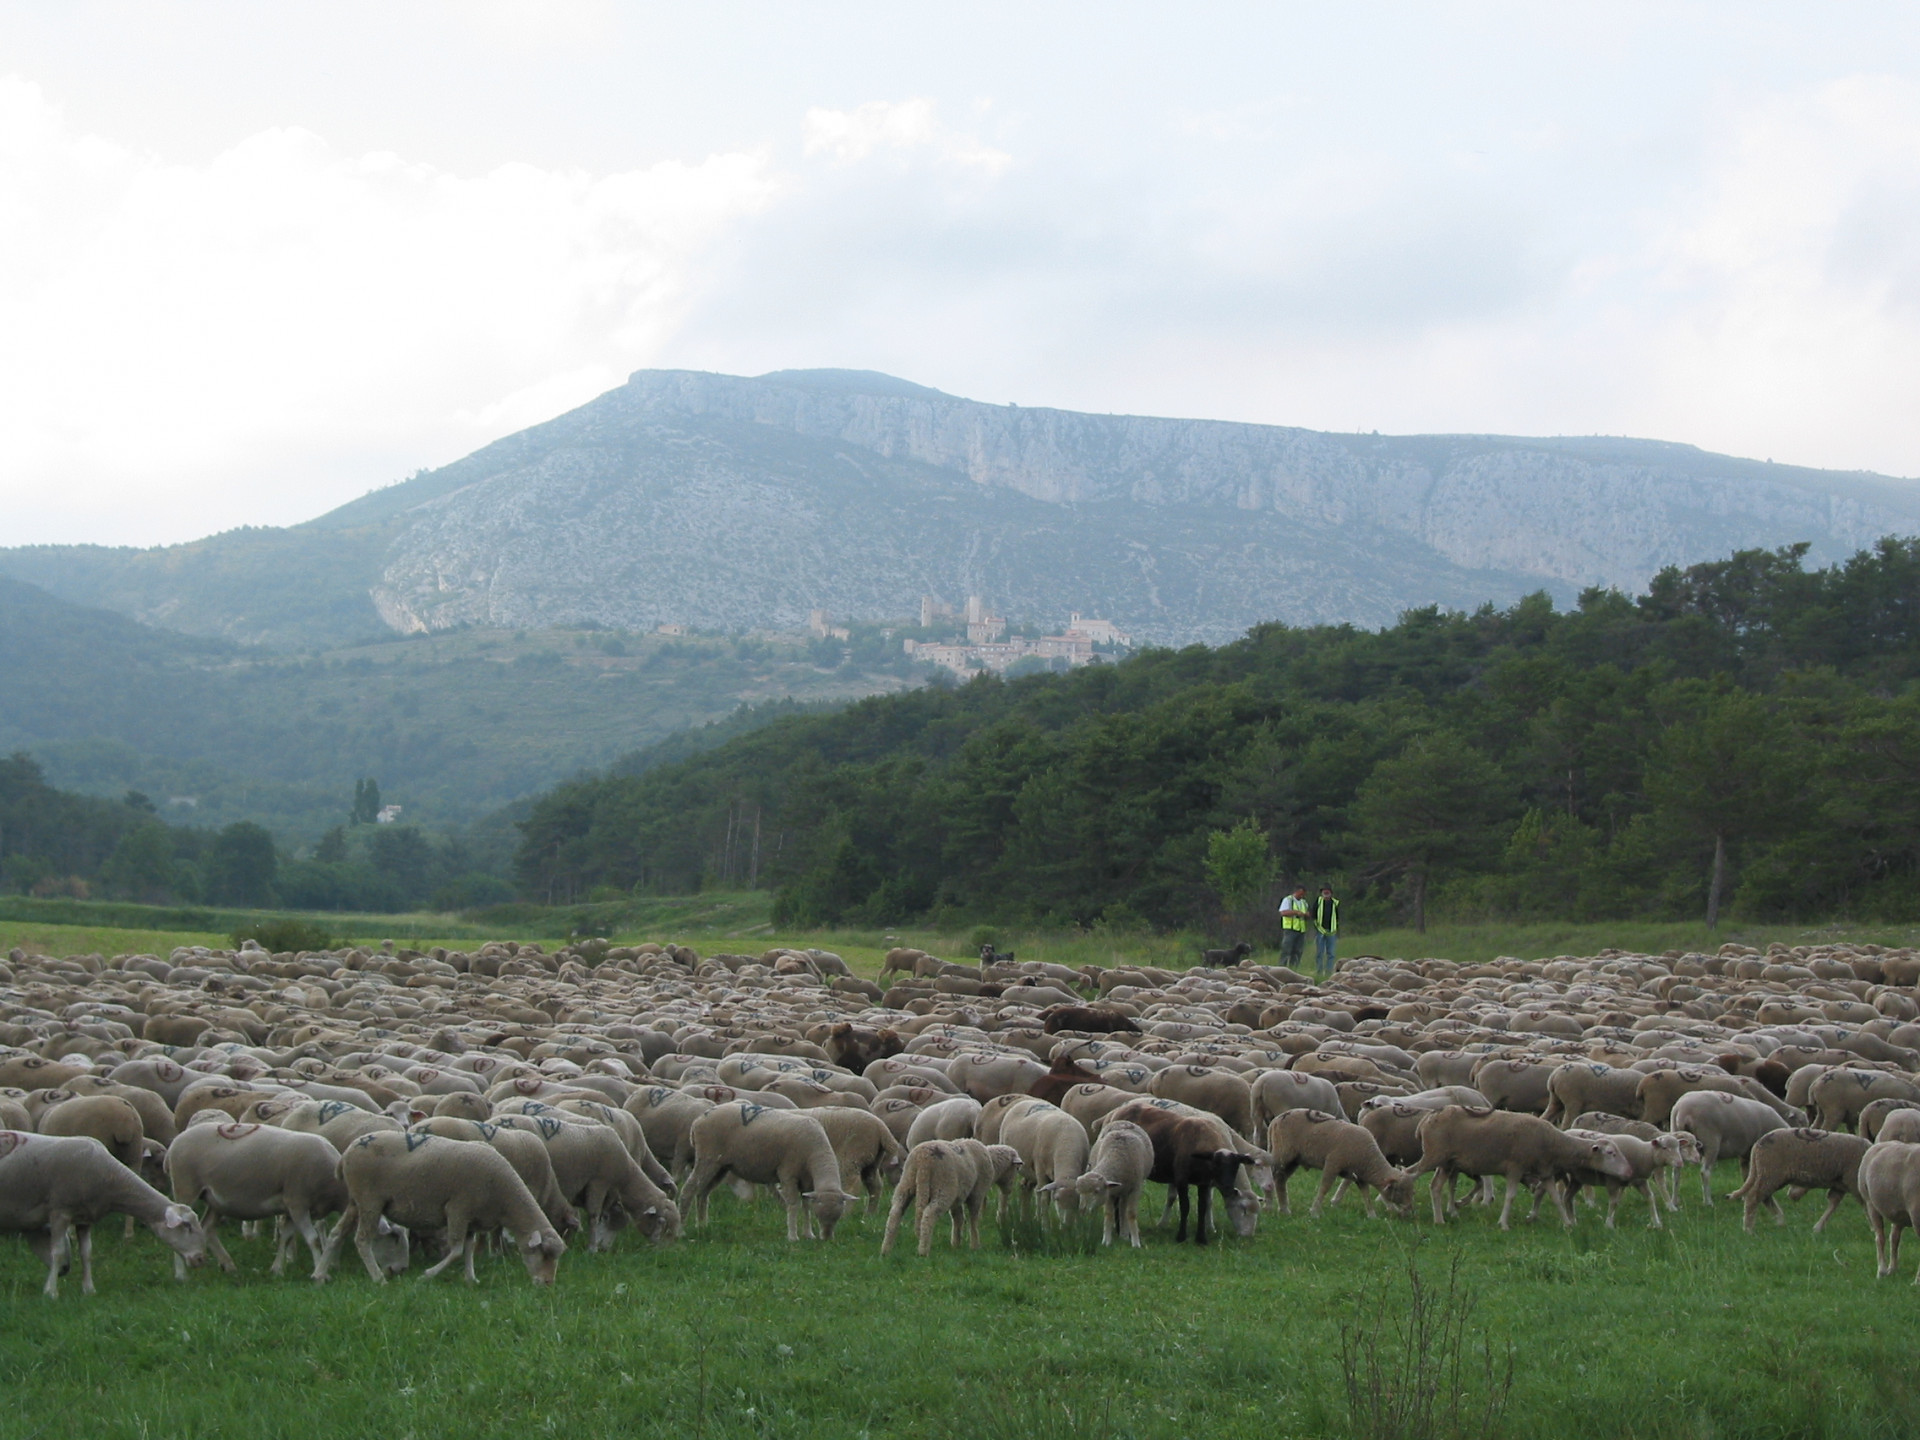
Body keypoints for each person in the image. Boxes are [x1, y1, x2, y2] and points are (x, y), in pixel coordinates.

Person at [1277, 884, 1309, 969]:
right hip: (1290, 929)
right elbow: (1283, 912)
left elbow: (1306, 913)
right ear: (1296, 891)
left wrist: (1306, 915)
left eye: (1304, 894)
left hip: (1301, 930)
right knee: (1286, 950)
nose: (1302, 896)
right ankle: (1282, 968)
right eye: (1301, 893)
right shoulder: (1288, 900)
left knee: (1298, 951)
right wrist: (1295, 912)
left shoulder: (1304, 902)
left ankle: (1294, 968)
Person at [1312, 884, 1340, 975]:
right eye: (1324, 891)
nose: (1326, 892)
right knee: (1319, 953)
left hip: (1331, 931)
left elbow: (1337, 917)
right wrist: (1318, 927)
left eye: (1328, 891)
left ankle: (1328, 972)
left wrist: (1336, 929)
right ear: (1321, 893)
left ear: (1331, 893)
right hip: (1320, 930)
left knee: (1331, 953)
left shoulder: (1335, 903)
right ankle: (1319, 971)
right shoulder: (1318, 901)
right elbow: (1314, 915)